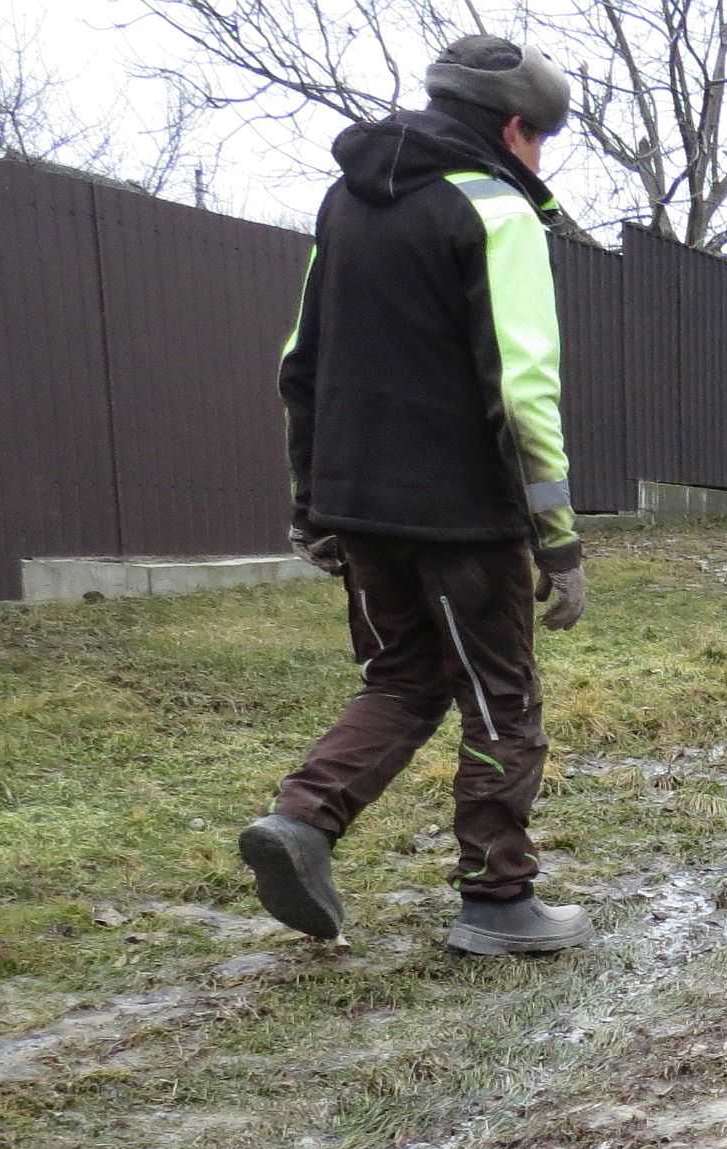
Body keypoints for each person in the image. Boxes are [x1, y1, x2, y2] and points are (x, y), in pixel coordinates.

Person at [238, 35, 593, 956]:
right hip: (464, 515)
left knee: (404, 677)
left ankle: (304, 822)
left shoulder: (345, 203)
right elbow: (521, 388)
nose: (539, 157)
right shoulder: (496, 210)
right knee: (501, 700)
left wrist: (311, 502)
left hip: (358, 506)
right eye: (541, 139)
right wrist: (557, 538)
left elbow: (298, 363)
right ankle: (500, 901)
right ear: (516, 129)